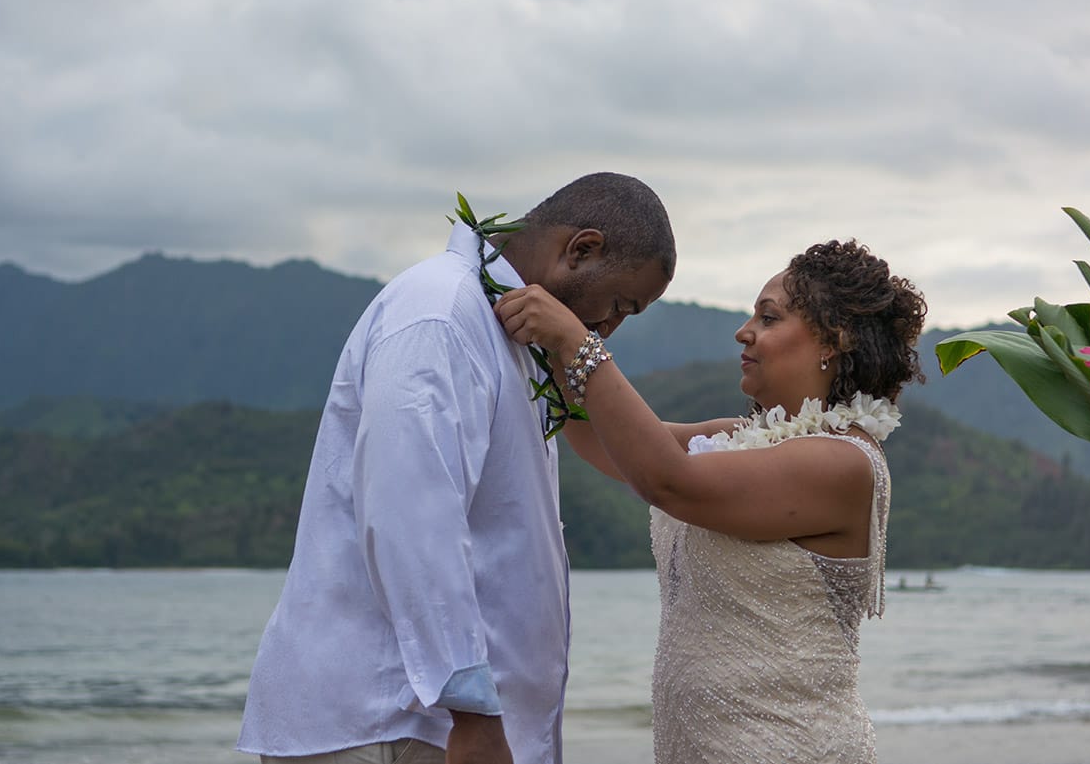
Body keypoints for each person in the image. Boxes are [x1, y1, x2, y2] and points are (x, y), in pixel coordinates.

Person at [237, 172, 675, 764]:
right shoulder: (441, 315)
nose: (609, 327)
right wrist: (471, 709)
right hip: (390, 720)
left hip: (427, 722)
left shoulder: (514, 333)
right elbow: (410, 519)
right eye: (621, 305)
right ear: (582, 249)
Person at [495, 239, 926, 763]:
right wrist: (552, 345)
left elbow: (667, 480)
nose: (744, 332)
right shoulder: (739, 437)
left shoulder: (844, 465)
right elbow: (605, 445)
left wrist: (576, 342)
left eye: (768, 318)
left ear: (832, 341)